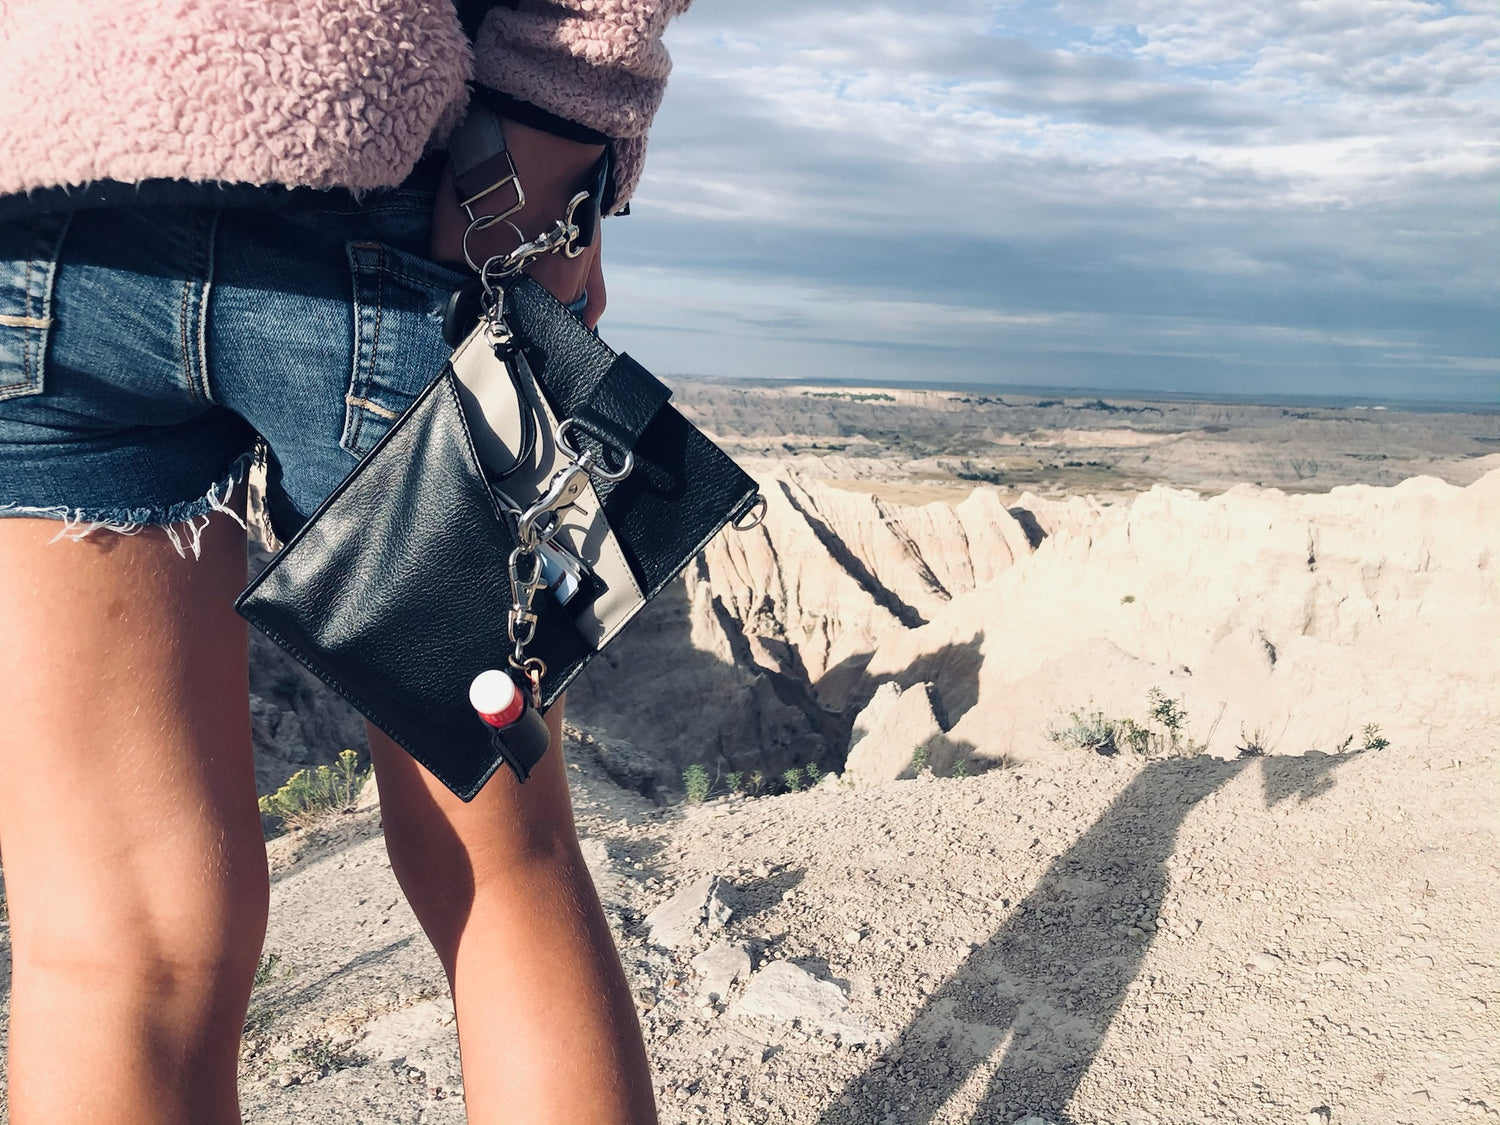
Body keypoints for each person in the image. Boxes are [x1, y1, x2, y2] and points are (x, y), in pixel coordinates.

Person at [0, 2, 690, 1121]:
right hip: (384, 193)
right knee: (502, 870)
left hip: (43, 223)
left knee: (109, 954)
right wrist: (556, 135)